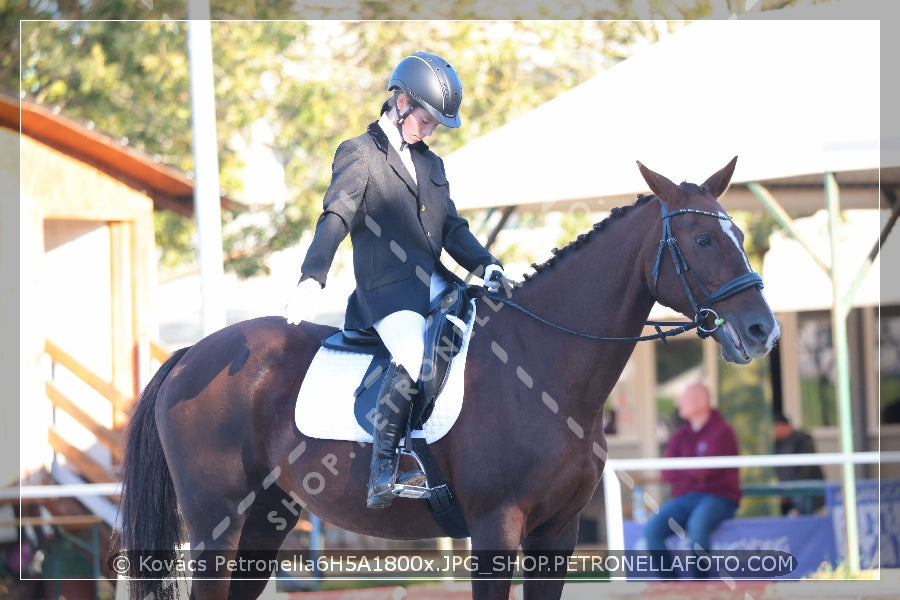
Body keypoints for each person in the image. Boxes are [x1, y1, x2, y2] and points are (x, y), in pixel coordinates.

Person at [283, 51, 508, 510]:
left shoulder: (432, 166)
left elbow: (451, 230)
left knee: (492, 329)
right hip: (386, 292)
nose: (429, 132)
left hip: (434, 284)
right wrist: (312, 278)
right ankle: (383, 469)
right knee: (411, 353)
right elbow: (336, 216)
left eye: (434, 127)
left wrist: (487, 265)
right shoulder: (360, 153)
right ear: (401, 101)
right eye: (425, 121)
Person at [643, 383, 741, 578]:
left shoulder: (722, 431)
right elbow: (667, 472)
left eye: (684, 398)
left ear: (702, 401)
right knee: (651, 530)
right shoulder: (681, 434)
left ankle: (700, 588)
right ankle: (671, 587)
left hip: (719, 497)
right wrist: (694, 469)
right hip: (686, 498)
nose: (679, 403)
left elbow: (705, 471)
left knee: (698, 526)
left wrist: (686, 468)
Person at [773, 411, 825, 516]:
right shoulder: (777, 444)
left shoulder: (801, 440)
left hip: (803, 492)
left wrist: (791, 489)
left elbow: (807, 469)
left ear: (782, 426)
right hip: (786, 494)